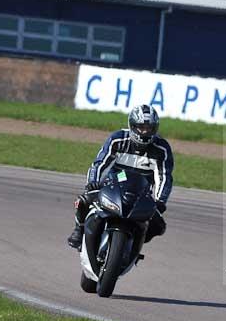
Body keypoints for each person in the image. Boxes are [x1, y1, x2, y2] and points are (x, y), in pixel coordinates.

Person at [67, 104, 174, 250]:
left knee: (158, 225)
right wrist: (93, 182)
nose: (145, 132)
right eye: (141, 127)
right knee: (84, 200)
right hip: (113, 186)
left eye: (149, 128)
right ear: (132, 126)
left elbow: (165, 177)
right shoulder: (117, 139)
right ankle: (79, 230)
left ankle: (135, 244)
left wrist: (160, 202)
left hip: (141, 194)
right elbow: (100, 163)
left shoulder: (162, 149)